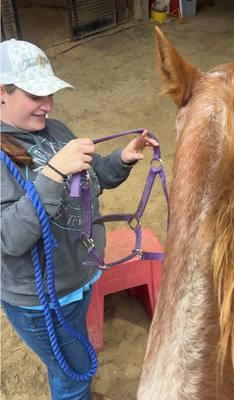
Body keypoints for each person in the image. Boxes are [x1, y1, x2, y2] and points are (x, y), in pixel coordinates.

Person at [0, 39, 158, 400]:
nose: (49, 104)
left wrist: (123, 158)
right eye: (35, 94)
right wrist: (53, 174)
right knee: (72, 378)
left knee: (71, 355)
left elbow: (92, 179)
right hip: (39, 299)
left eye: (50, 92)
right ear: (2, 92)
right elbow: (9, 238)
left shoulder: (55, 130)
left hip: (77, 277)